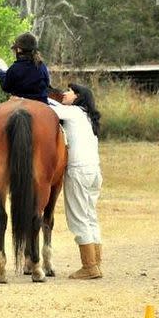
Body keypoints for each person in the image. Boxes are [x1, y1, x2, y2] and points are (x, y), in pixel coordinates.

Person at [49, 83, 103, 280]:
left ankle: (89, 267)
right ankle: (96, 263)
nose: (64, 93)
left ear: (78, 96)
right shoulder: (88, 117)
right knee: (90, 216)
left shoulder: (73, 113)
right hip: (94, 171)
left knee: (78, 218)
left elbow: (48, 105)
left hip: (79, 171)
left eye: (69, 91)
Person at [0, 32, 50, 103]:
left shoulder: (15, 68)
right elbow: (47, 83)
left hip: (20, 103)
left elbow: (6, 87)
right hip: (42, 102)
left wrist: (1, 73)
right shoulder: (41, 65)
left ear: (19, 49)